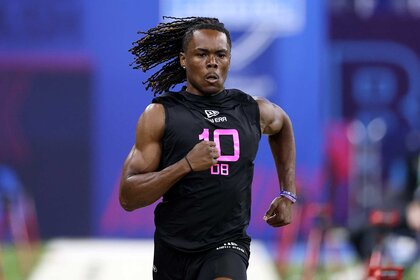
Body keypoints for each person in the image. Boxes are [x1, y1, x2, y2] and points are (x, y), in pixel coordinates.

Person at [119, 16, 296, 280]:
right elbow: (128, 197)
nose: (212, 62)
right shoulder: (160, 114)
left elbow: (283, 127)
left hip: (227, 244)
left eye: (220, 55)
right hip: (173, 248)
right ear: (183, 60)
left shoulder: (252, 109)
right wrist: (185, 165)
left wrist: (287, 193)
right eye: (202, 54)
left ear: (229, 59)